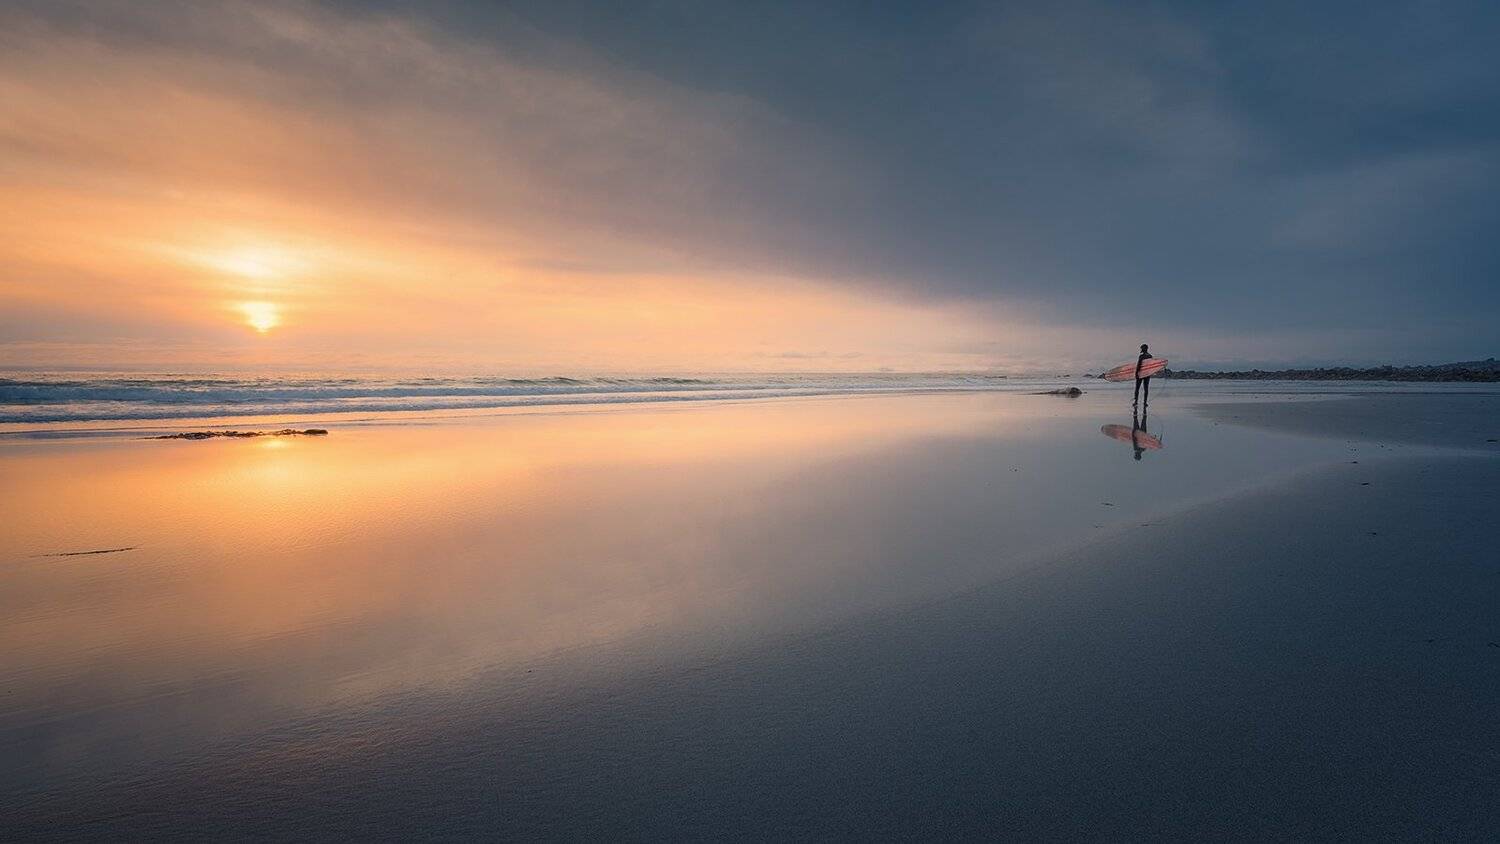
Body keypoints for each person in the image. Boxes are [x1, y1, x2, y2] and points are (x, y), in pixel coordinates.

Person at [1133, 343, 1153, 407]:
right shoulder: (1150, 356)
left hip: (1141, 374)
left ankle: (1136, 402)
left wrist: (1136, 373)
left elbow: (1139, 365)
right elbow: (1151, 366)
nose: (1141, 349)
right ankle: (1145, 403)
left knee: (1137, 388)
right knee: (1146, 389)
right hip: (1147, 374)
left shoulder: (1141, 356)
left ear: (1143, 349)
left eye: (1141, 348)